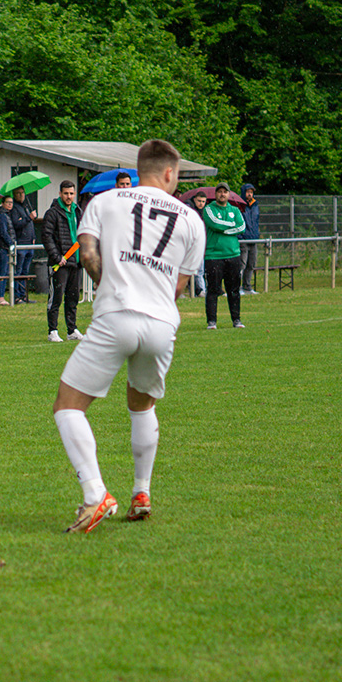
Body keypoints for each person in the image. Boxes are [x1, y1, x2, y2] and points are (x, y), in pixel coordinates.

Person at [52, 139, 205, 533]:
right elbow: (179, 286)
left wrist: (113, 287)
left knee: (68, 407)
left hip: (116, 314)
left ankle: (95, 494)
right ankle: (142, 492)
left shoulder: (104, 202)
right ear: (170, 173)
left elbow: (88, 255)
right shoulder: (192, 220)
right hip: (161, 323)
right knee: (141, 405)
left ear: (138, 170)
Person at [42, 181, 84, 342]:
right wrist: (57, 257)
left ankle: (71, 330)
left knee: (73, 297)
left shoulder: (78, 211)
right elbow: (46, 236)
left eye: (71, 193)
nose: (69, 197)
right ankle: (52, 330)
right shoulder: (52, 213)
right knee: (56, 298)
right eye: (66, 193)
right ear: (60, 194)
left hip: (76, 261)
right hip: (60, 263)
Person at [203, 182, 246, 329]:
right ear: (216, 194)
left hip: (233, 254)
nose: (222, 194)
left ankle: (236, 320)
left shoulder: (235, 210)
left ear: (229, 194)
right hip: (214, 255)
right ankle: (212, 321)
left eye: (225, 192)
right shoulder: (209, 209)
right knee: (213, 289)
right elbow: (215, 223)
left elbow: (242, 227)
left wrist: (226, 230)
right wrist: (231, 225)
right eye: (220, 191)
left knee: (234, 289)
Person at [9, 187, 38, 303]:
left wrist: (33, 237)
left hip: (30, 243)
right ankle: (17, 296)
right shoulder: (14, 208)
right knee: (18, 271)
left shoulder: (26, 206)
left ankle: (23, 294)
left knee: (25, 271)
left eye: (22, 193)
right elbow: (16, 224)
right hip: (21, 243)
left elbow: (30, 224)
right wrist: (28, 218)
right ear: (14, 195)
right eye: (18, 193)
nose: (21, 195)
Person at [0, 195, 15, 305]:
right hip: (2, 247)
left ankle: (1, 296)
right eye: (8, 202)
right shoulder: (1, 215)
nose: (10, 204)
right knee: (2, 272)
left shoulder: (5, 214)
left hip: (4, 246)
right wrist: (11, 243)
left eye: (11, 202)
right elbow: (3, 232)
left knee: (5, 272)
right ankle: (0, 297)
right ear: (2, 203)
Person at [238, 182, 260, 294]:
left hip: (253, 239)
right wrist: (241, 236)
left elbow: (256, 222)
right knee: (242, 264)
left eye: (251, 192)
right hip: (243, 239)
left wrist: (256, 234)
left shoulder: (255, 205)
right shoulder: (239, 205)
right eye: (248, 192)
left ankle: (247, 286)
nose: (250, 194)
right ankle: (238, 287)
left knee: (251, 264)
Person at [188, 191, 208, 296]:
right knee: (193, 270)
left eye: (203, 201)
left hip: (201, 244)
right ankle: (197, 290)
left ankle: (201, 290)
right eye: (199, 201)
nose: (201, 203)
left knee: (200, 270)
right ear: (195, 199)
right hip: (191, 243)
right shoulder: (190, 210)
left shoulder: (205, 212)